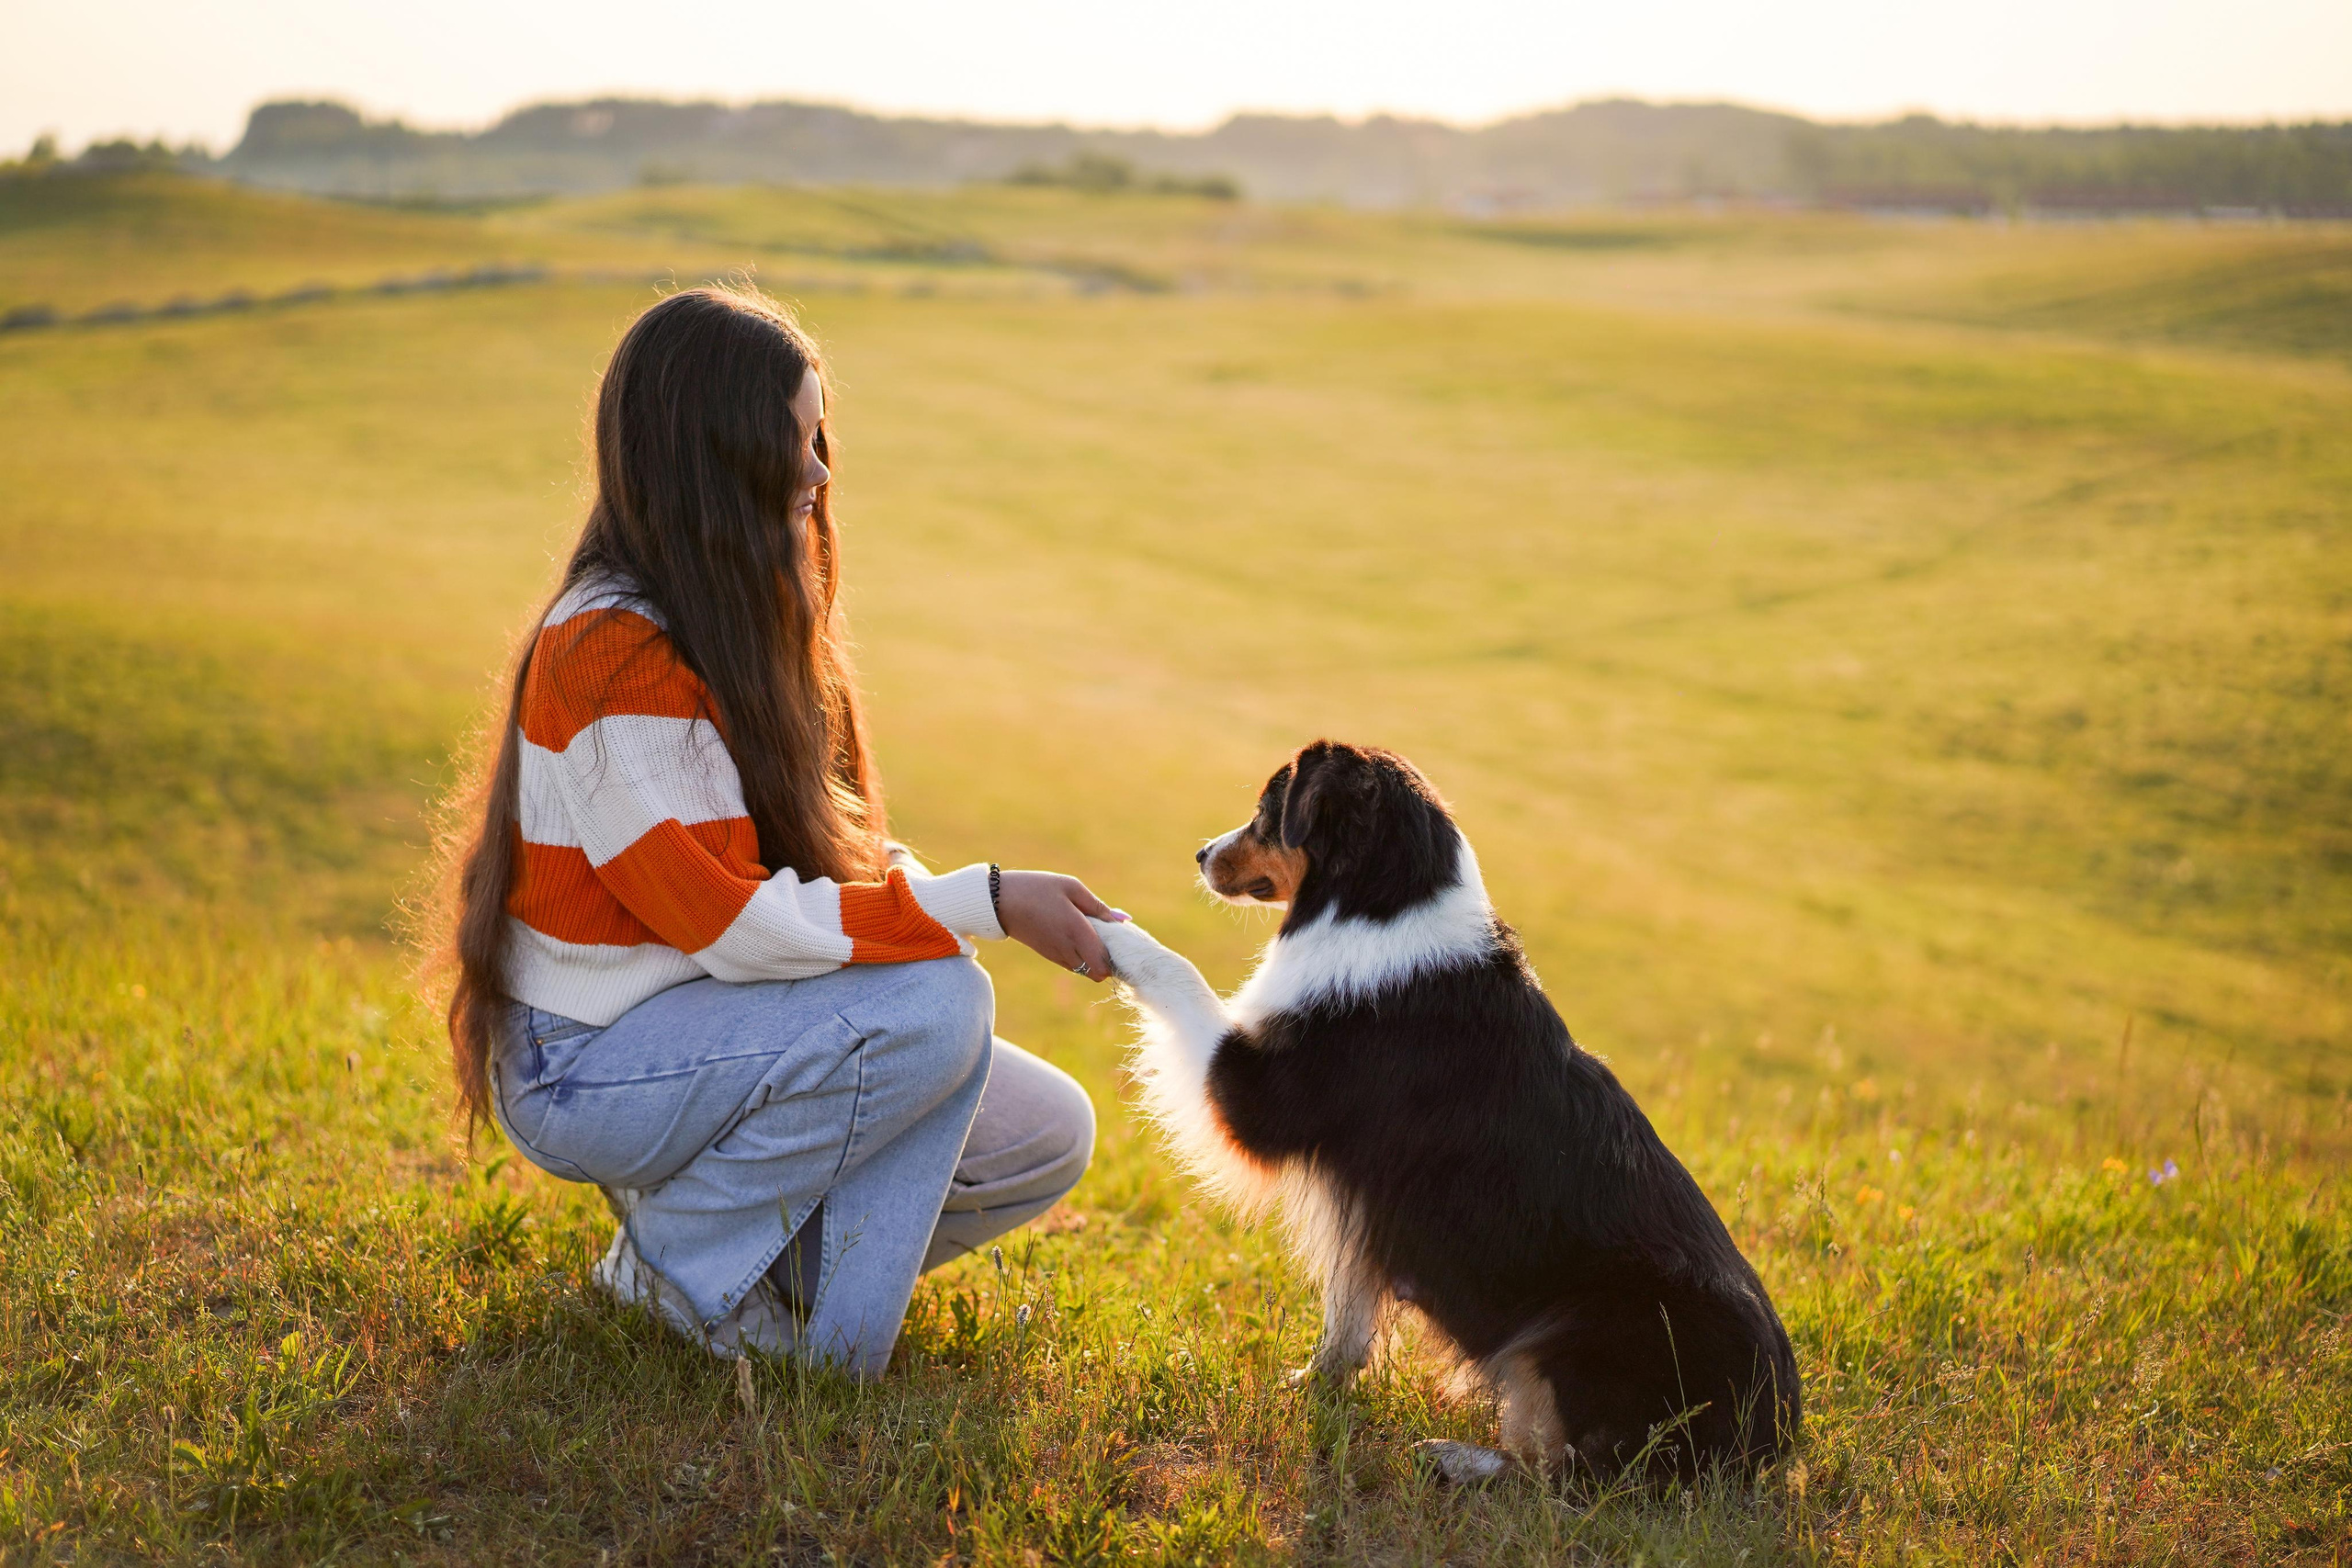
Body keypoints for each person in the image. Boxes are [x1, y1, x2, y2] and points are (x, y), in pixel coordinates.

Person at [435, 285, 1117, 1375]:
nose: (819, 473)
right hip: (588, 1060)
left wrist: (934, 891)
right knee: (940, 1004)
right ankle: (679, 1280)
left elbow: (810, 869)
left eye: (819, 437)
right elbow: (735, 926)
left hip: (716, 1027)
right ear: (713, 457)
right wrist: (982, 901)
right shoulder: (607, 652)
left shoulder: (738, 618)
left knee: (1046, 1129)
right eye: (793, 442)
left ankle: (787, 1316)